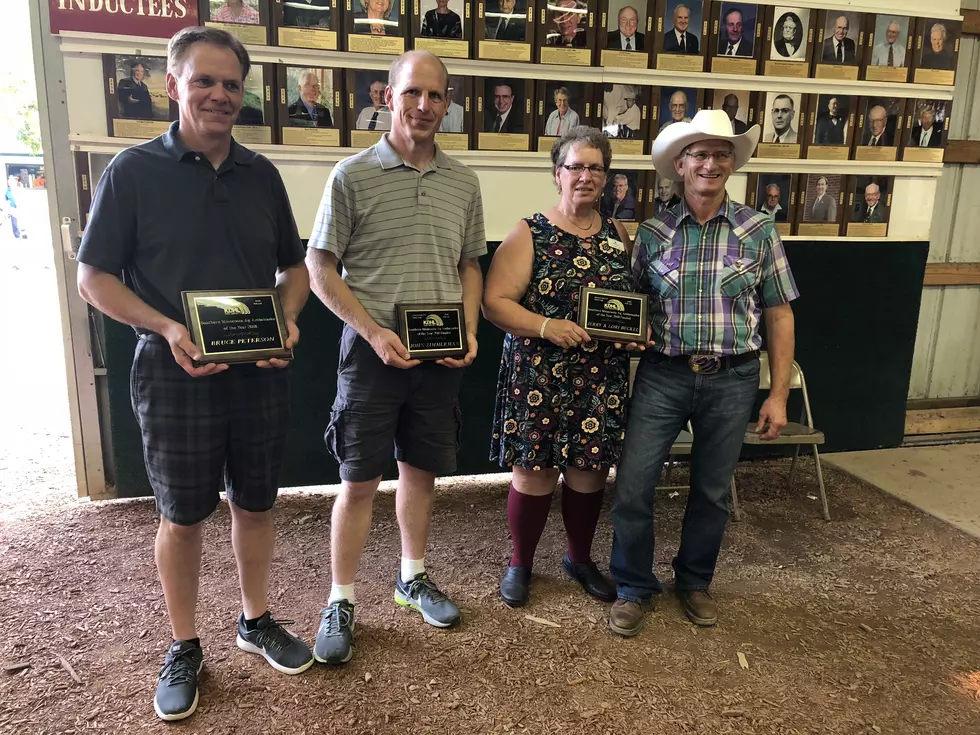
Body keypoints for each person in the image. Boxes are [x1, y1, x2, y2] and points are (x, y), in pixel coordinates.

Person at [75, 27, 314, 722]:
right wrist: (167, 326)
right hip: (174, 370)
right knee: (181, 516)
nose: (218, 95)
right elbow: (94, 279)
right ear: (172, 84)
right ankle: (184, 643)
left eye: (231, 85)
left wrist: (290, 317)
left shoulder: (261, 174)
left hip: (258, 371)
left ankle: (254, 617)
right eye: (204, 81)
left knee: (257, 503)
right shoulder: (132, 171)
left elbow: (293, 270)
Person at [306, 50, 486, 665]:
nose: (425, 106)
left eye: (437, 96)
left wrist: (467, 328)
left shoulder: (463, 181)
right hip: (371, 355)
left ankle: (411, 579)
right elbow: (319, 266)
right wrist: (373, 331)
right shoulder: (352, 176)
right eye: (414, 93)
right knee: (358, 483)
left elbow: (470, 263)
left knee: (421, 474)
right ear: (390, 96)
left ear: (447, 103)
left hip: (437, 358)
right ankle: (341, 599)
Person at [609, 109, 799, 636]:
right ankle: (633, 586)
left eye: (721, 154)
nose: (710, 163)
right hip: (663, 376)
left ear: (732, 163)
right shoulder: (651, 234)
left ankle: (694, 582)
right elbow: (630, 308)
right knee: (632, 485)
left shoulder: (759, 231)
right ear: (680, 163)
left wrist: (778, 394)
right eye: (700, 154)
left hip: (733, 379)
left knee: (712, 491)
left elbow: (780, 313)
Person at [483, 126, 640, 607]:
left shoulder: (618, 235)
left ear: (607, 178)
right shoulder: (530, 232)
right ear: (558, 174)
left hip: (600, 376)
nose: (586, 176)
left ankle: (578, 558)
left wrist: (635, 333)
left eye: (596, 167)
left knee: (589, 473)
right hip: (540, 376)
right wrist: (547, 325)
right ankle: (521, 563)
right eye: (576, 166)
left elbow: (629, 305)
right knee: (534, 473)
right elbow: (494, 303)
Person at [4, 175, 23, 239]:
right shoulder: (8, 191)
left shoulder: (18, 189)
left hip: (19, 206)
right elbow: (8, 199)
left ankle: (22, 232)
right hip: (13, 208)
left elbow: (22, 196)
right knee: (14, 221)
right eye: (10, 183)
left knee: (21, 220)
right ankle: (17, 234)